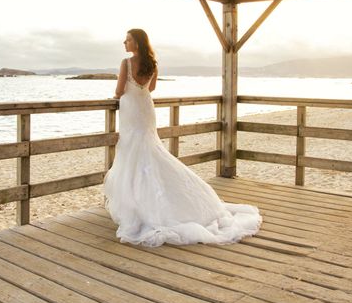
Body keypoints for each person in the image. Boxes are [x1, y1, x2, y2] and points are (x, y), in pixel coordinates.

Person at [102, 28, 262, 247]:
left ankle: (138, 202)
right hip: (145, 107)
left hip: (131, 109)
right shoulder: (153, 63)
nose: (124, 43)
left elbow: (120, 90)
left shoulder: (126, 63)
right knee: (149, 148)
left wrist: (116, 96)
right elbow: (152, 87)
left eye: (128, 40)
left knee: (133, 150)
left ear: (136, 43)